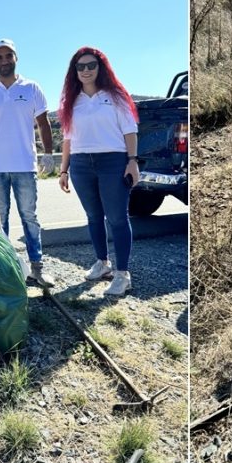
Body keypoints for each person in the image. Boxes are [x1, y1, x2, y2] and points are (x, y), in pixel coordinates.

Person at [0, 39, 55, 287]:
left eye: (8, 56)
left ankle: (36, 268)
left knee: (29, 216)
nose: (4, 61)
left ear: (16, 58)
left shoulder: (31, 88)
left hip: (25, 165)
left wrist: (48, 153)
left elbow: (43, 123)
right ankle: (6, 269)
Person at [57, 47, 140, 297]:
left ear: (100, 67)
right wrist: (63, 170)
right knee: (93, 217)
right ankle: (102, 263)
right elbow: (68, 139)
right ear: (74, 71)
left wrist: (132, 161)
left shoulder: (115, 96)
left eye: (90, 65)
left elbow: (129, 131)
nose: (85, 70)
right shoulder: (71, 102)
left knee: (117, 218)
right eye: (80, 67)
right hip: (81, 164)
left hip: (112, 161)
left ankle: (122, 274)